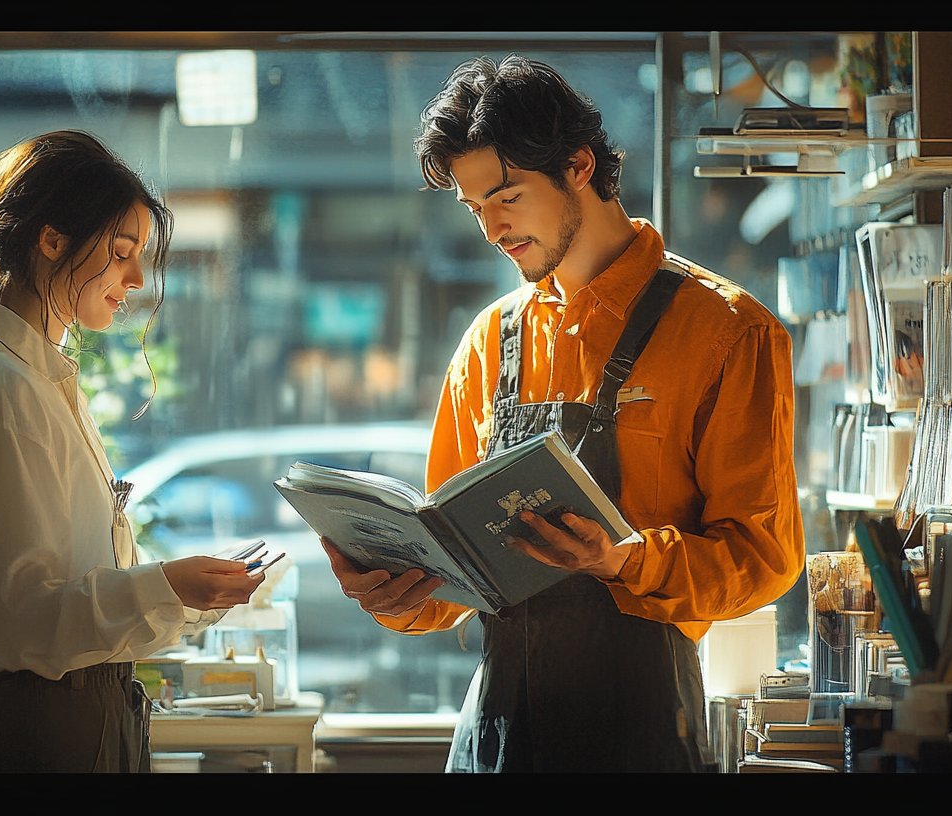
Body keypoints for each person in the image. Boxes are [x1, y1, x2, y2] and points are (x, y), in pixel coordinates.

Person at [320, 55, 805, 773]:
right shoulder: (488, 342)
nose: (492, 227)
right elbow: (450, 570)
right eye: (475, 206)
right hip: (494, 739)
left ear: (579, 164)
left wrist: (623, 559)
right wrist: (390, 589)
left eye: (507, 196)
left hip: (642, 738)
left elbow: (764, 560)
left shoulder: (729, 332)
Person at [0, 129, 265, 773]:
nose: (136, 278)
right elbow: (28, 618)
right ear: (52, 241)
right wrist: (166, 585)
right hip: (45, 727)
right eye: (122, 251)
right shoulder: (2, 389)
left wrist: (187, 593)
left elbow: (74, 591)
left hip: (85, 714)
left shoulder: (42, 381)